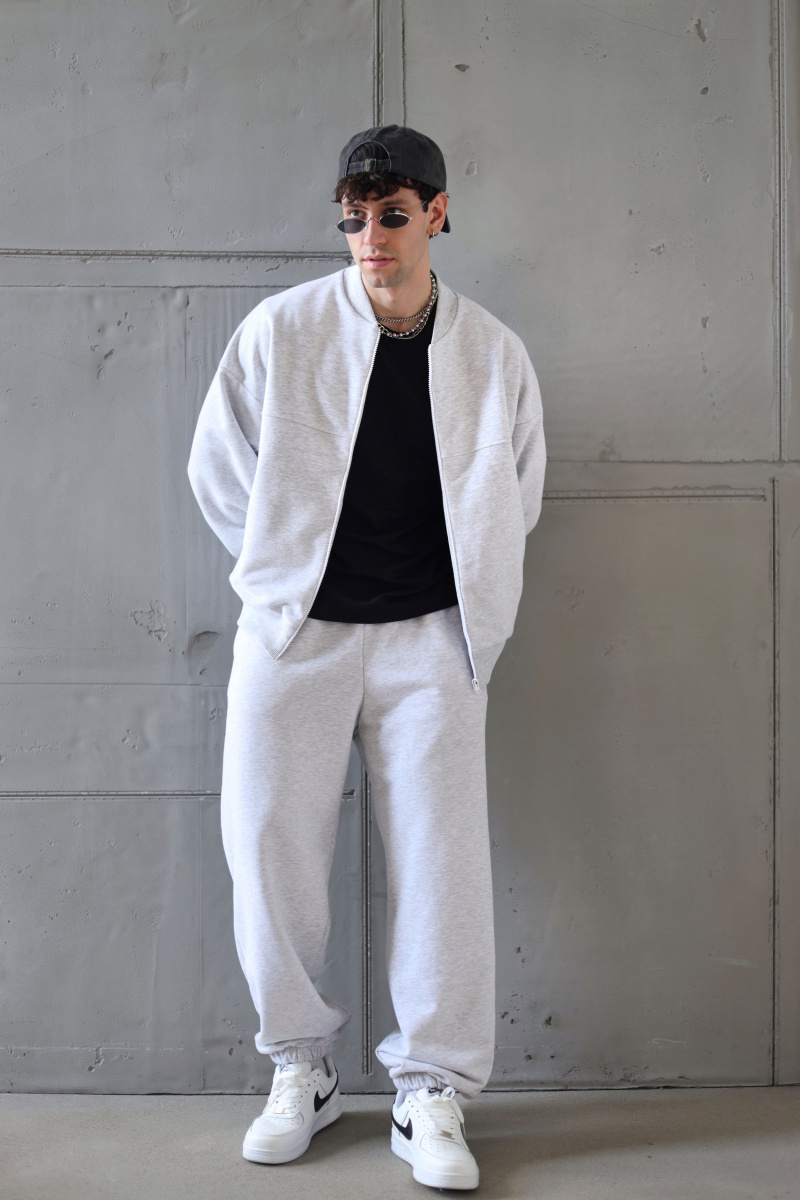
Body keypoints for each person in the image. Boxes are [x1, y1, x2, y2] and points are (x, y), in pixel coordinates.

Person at [187, 124, 546, 1191]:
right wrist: (280, 581)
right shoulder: (282, 330)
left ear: (436, 213)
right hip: (295, 636)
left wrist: (469, 604)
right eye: (352, 219)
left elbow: (517, 491)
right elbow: (218, 469)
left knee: (442, 864)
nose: (370, 238)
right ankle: (299, 1067)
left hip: (432, 638)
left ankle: (429, 1087)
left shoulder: (491, 352)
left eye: (390, 216)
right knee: (266, 847)